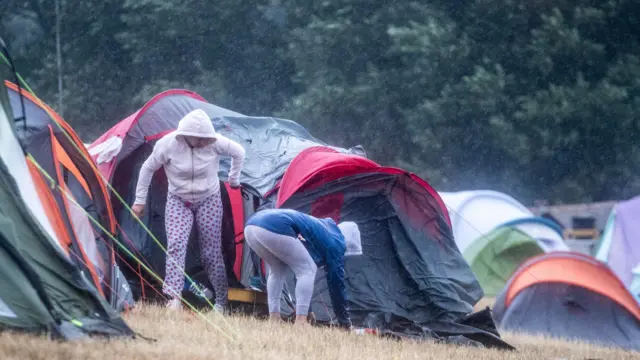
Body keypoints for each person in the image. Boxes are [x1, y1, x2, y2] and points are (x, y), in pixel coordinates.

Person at [131, 109, 245, 313]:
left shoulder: (215, 142)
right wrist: (139, 201)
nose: (204, 142)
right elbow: (147, 168)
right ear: (187, 136)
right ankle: (174, 298)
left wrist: (233, 179)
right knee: (176, 244)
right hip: (178, 199)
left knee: (211, 253)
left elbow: (239, 152)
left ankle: (221, 301)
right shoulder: (168, 144)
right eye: (200, 139)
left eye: (207, 138)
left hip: (209, 198)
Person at [243, 208, 362, 328]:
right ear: (346, 241)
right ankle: (301, 321)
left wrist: (308, 309)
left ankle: (274, 318)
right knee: (307, 269)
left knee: (277, 270)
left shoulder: (323, 231)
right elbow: (336, 284)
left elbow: (297, 271)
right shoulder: (336, 242)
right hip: (273, 225)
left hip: (251, 226)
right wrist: (345, 322)